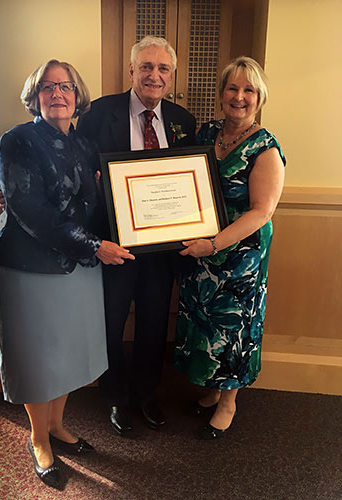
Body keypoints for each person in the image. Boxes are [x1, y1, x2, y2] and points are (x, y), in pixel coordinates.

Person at [0, 59, 134, 488]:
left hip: (77, 267)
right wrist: (95, 246)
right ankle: (38, 438)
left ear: (77, 94)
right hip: (26, 264)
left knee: (66, 352)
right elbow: (33, 213)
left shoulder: (85, 145)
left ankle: (58, 425)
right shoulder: (17, 140)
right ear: (35, 96)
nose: (57, 94)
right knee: (35, 356)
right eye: (47, 87)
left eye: (65, 86)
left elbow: (94, 204)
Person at [77, 36, 196, 435]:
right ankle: (114, 399)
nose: (154, 75)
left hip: (163, 248)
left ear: (171, 75)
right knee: (110, 322)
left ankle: (146, 395)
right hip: (114, 244)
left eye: (163, 69)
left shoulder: (183, 120)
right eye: (146, 66)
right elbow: (77, 172)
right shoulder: (97, 115)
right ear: (131, 71)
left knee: (152, 322)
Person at [175, 56, 285, 439]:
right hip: (200, 251)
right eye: (232, 88)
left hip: (240, 254)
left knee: (235, 325)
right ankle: (212, 387)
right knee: (205, 322)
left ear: (260, 97)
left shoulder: (266, 148)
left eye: (249, 90)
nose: (239, 97)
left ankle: (228, 402)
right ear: (222, 93)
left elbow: (261, 212)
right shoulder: (206, 134)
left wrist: (215, 244)